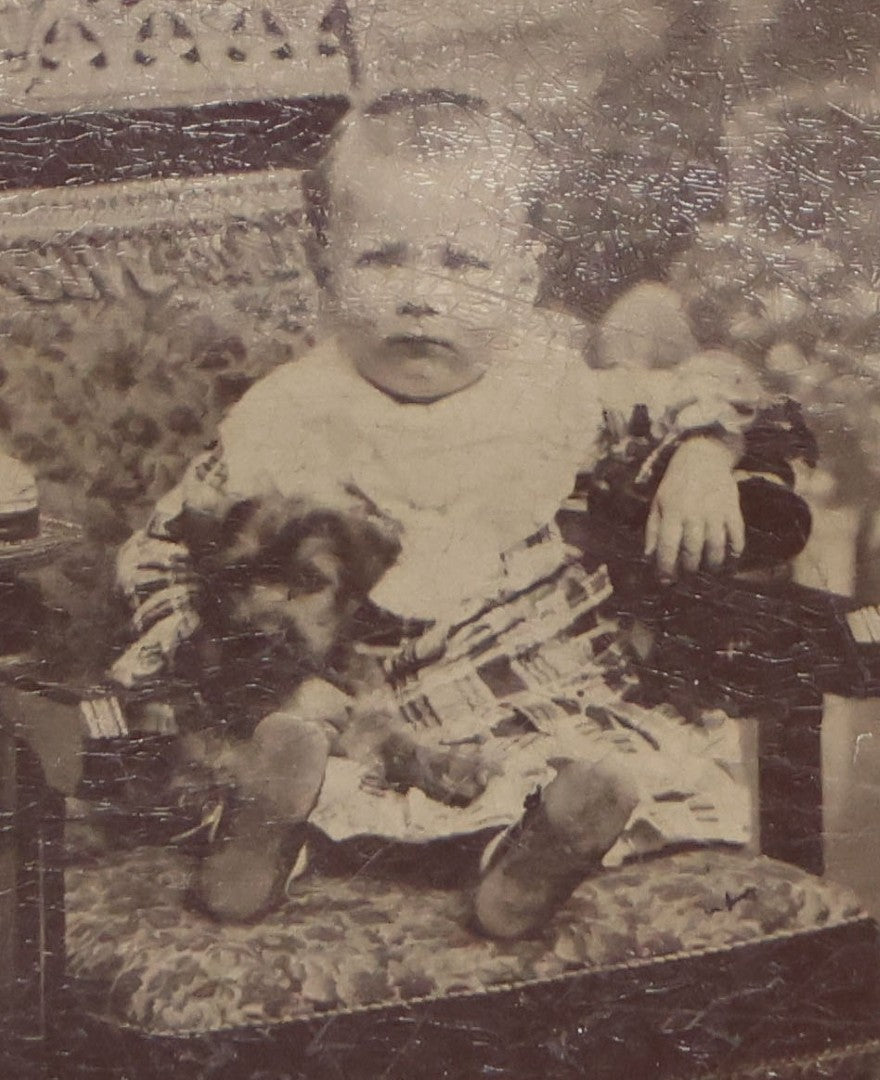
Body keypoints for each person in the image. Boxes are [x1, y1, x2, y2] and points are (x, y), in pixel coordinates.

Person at [111, 91, 802, 934]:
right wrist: (235, 666)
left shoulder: (553, 394)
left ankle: (528, 857)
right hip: (346, 713)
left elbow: (715, 387)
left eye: (464, 265)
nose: (422, 297)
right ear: (322, 265)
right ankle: (260, 830)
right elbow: (165, 554)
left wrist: (703, 453)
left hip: (529, 695)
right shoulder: (289, 418)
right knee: (289, 745)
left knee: (598, 762)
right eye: (383, 260)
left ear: (523, 278)